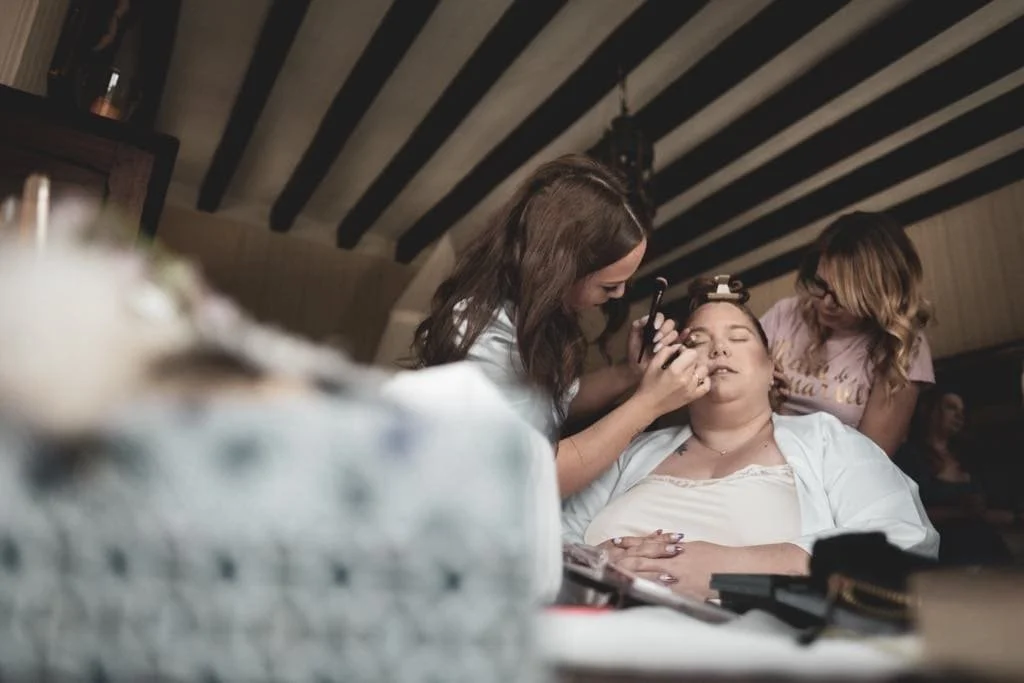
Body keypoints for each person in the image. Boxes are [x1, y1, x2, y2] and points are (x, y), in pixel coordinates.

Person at [563, 277, 937, 599]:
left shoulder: (827, 441)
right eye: (698, 340)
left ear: (772, 368)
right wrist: (597, 562)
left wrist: (731, 569)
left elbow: (903, 542)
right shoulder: (632, 451)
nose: (718, 349)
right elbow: (548, 534)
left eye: (738, 337)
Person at [413, 154, 709, 497]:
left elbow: (554, 402)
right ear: (560, 270)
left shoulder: (538, 319)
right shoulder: (480, 332)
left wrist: (631, 373)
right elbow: (531, 479)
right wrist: (649, 404)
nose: (619, 295)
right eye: (608, 286)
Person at [760, 211, 934, 457]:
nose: (827, 303)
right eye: (822, 285)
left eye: (844, 296)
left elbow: (870, 459)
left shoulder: (902, 345)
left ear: (879, 295)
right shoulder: (785, 313)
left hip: (834, 478)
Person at [895, 387, 1016, 565]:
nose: (959, 415)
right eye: (951, 407)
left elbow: (979, 510)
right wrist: (959, 512)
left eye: (962, 411)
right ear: (930, 412)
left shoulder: (965, 457)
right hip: (943, 550)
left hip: (983, 544)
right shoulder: (910, 456)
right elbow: (904, 515)